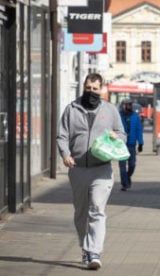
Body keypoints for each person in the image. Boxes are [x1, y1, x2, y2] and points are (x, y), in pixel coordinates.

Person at [57, 73, 126, 270]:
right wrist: (65, 154)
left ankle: (94, 252)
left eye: (95, 89)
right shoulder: (72, 109)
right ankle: (85, 247)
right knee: (81, 213)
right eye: (88, 88)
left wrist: (116, 136)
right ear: (84, 87)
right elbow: (61, 136)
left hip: (101, 169)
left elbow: (122, 133)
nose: (91, 92)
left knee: (97, 209)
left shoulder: (110, 110)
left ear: (101, 89)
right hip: (77, 168)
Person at [118, 99, 144, 191]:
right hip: (120, 144)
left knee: (132, 164)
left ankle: (127, 176)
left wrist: (140, 143)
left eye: (130, 105)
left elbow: (139, 130)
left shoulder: (135, 116)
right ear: (122, 105)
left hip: (131, 144)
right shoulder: (118, 116)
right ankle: (125, 184)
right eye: (126, 105)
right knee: (122, 166)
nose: (128, 106)